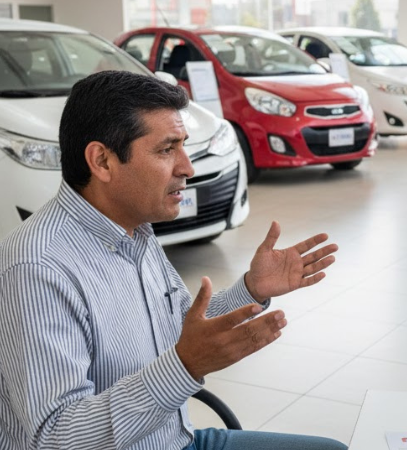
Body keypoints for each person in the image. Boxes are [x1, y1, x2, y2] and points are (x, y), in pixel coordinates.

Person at [0, 71, 347, 450]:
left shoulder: (136, 231)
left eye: (183, 146)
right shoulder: (36, 269)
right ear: (102, 160)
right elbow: (56, 437)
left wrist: (250, 289)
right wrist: (184, 368)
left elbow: (182, 324)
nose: (187, 168)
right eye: (167, 150)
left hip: (173, 439)